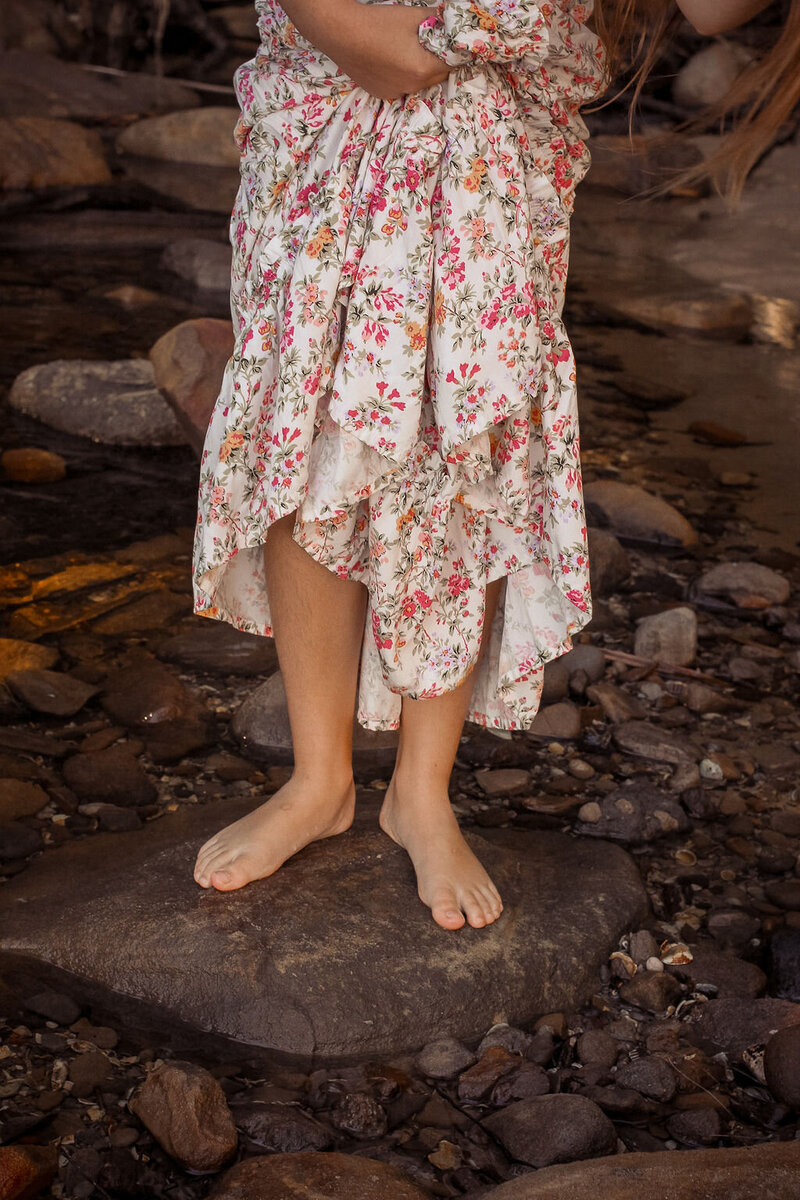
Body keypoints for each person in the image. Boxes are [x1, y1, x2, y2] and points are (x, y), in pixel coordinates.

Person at [192, 0, 787, 929]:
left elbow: (714, 9)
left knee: (466, 447)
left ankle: (420, 795)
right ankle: (320, 779)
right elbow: (397, 60)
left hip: (493, 160)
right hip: (325, 127)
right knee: (305, 437)